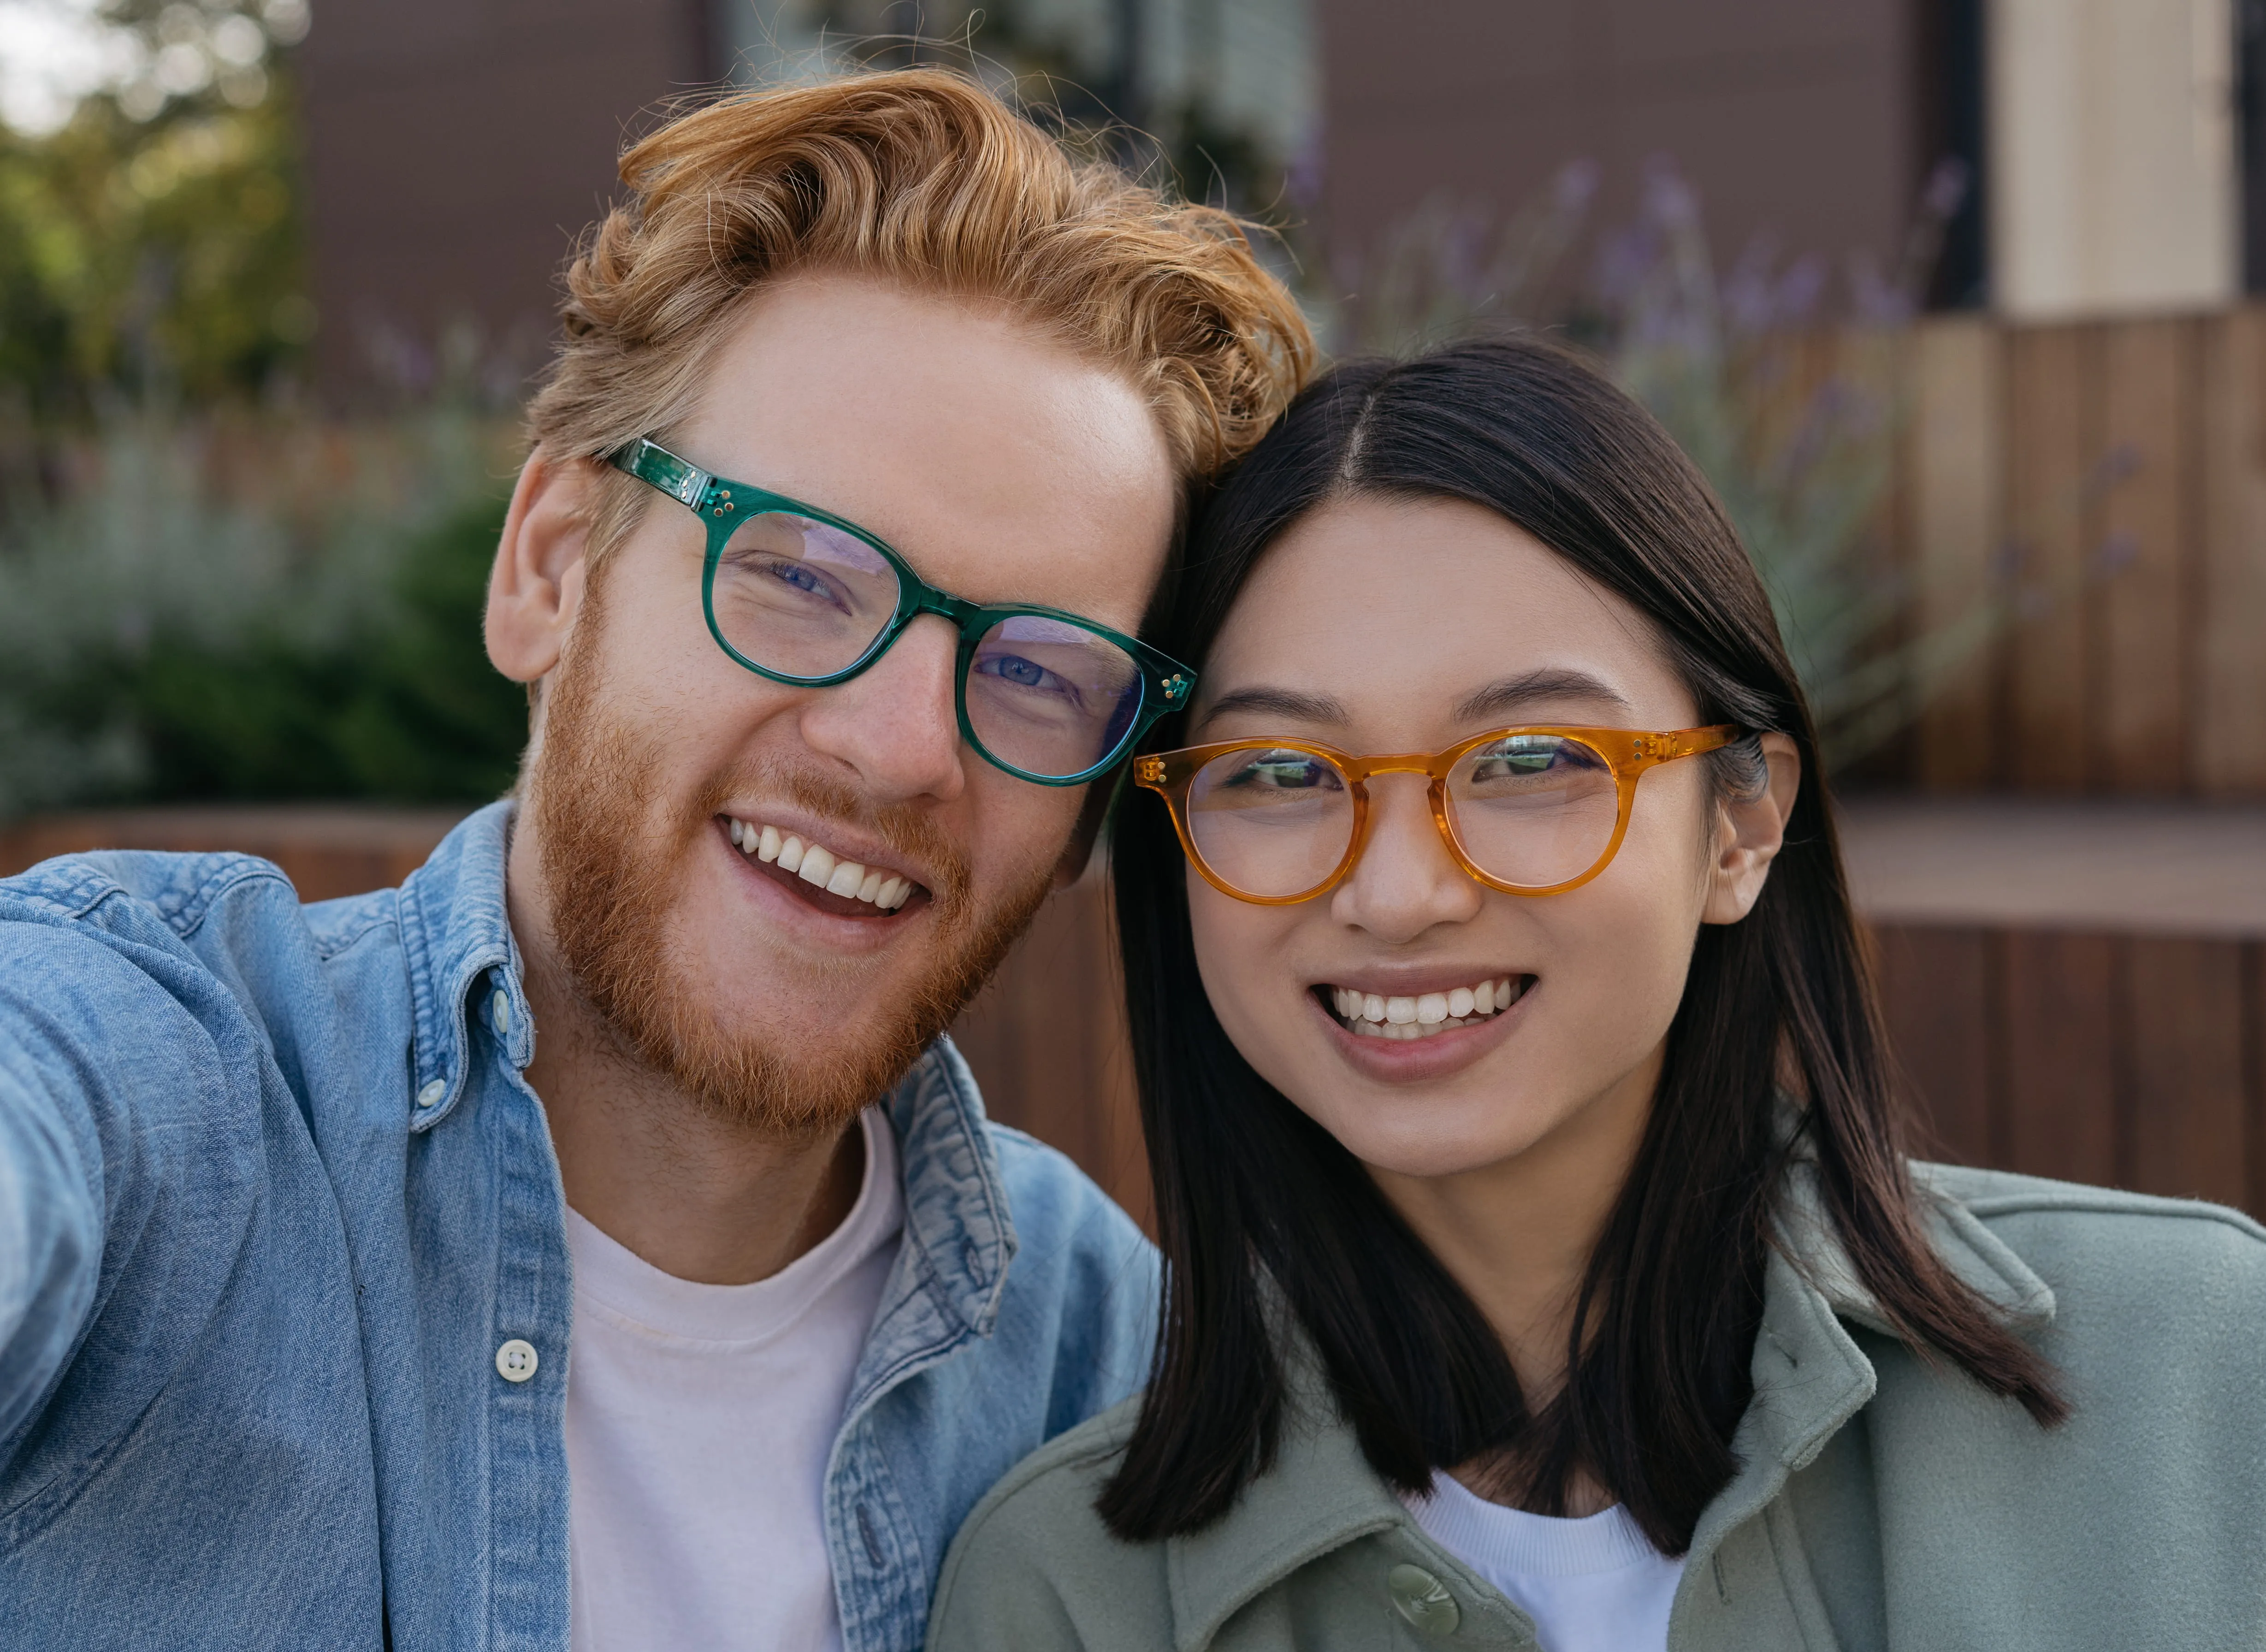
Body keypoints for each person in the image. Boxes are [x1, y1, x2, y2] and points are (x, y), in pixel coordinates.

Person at [0, 70, 1309, 1651]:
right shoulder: (167, 1097)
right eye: (802, 576)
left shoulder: (1106, 1363)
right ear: (552, 567)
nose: (901, 747)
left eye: (1037, 669)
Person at [928, 337, 2266, 1652]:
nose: (1398, 894)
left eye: (1527, 758)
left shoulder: (2195, 1371)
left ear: (1740, 825)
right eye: (1279, 772)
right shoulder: (1069, 1598)